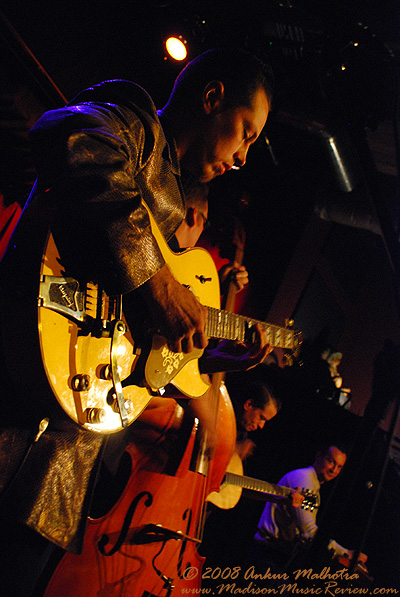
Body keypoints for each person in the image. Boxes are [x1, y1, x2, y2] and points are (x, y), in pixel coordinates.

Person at [0, 47, 273, 595]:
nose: (241, 157)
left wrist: (208, 353)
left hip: (69, 442)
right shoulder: (132, 123)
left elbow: (132, 331)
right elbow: (69, 136)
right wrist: (159, 281)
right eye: (244, 132)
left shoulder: (167, 197)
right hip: (21, 412)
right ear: (212, 97)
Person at [250, 443, 367, 573]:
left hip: (274, 554)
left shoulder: (312, 484)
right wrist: (345, 553)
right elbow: (308, 531)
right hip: (268, 555)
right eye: (330, 462)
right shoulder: (304, 480)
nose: (334, 470)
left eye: (339, 467)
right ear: (318, 457)